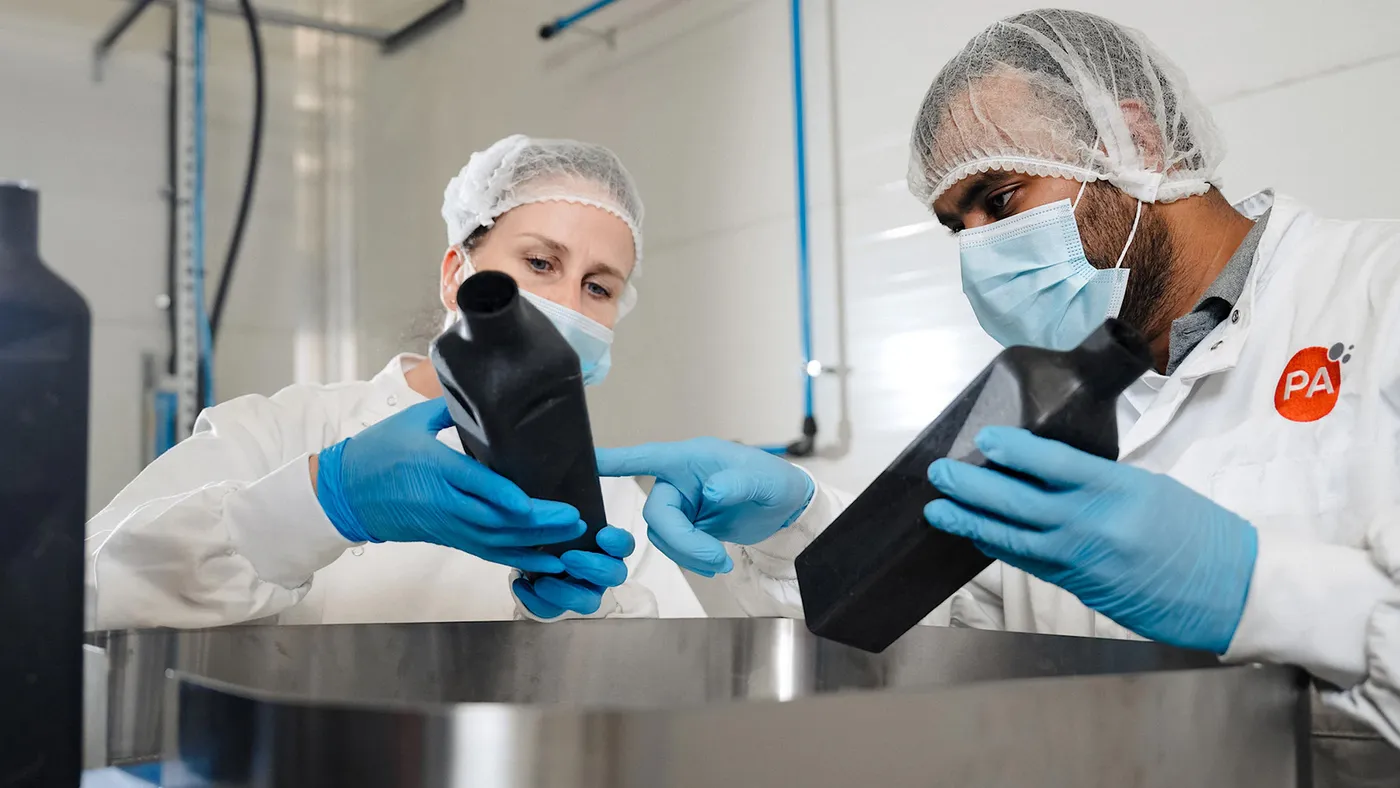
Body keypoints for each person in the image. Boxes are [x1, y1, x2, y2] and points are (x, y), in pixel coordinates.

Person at [595, 8, 1400, 760]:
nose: (981, 251)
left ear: (1135, 143)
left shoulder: (1377, 293)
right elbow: (941, 637)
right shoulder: (1040, 403)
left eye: (1000, 197)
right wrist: (798, 525)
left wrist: (1253, 588)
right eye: (958, 226)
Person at [86, 134, 742, 628]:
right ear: (457, 273)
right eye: (540, 261)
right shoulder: (282, 431)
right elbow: (88, 594)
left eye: (598, 286)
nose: (567, 304)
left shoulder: (613, 503)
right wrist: (324, 500)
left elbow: (668, 700)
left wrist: (591, 618)